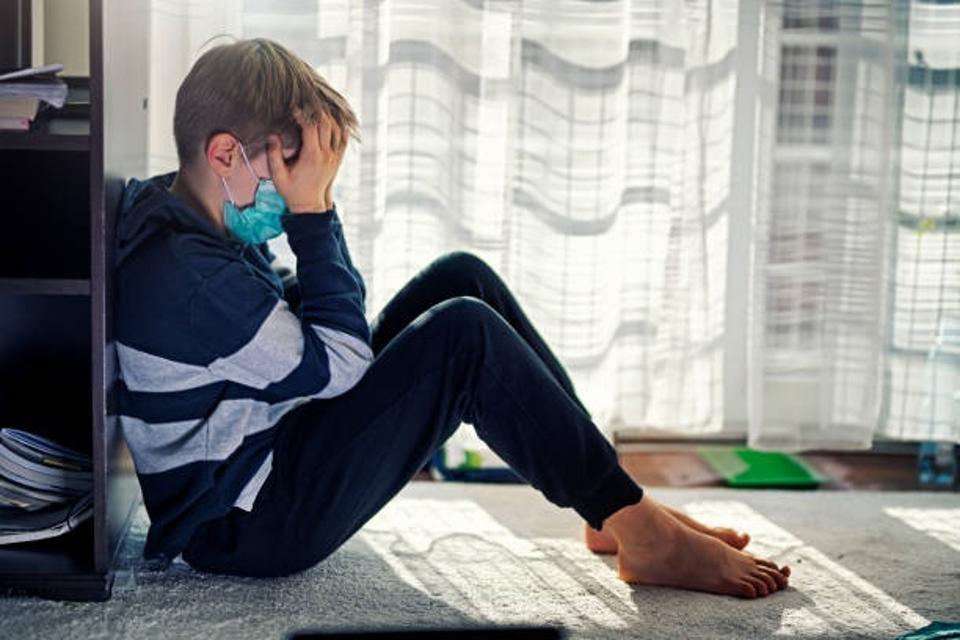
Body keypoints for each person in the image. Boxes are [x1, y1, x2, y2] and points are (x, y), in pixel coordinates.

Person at [114, 37, 790, 599]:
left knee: (460, 278)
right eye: (290, 175)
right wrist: (316, 217)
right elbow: (342, 363)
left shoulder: (191, 219)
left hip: (268, 443)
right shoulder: (188, 275)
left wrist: (313, 216)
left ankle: (611, 506)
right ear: (226, 154)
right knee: (463, 335)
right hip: (247, 523)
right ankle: (639, 530)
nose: (296, 198)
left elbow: (298, 317)